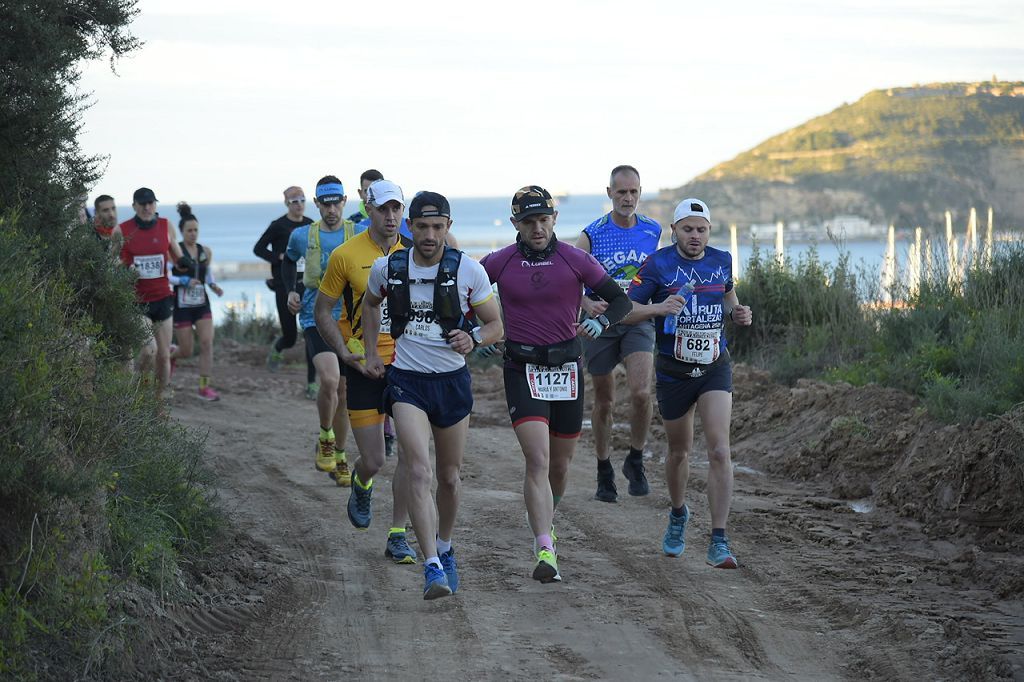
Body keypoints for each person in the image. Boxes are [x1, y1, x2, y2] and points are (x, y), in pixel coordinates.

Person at [480, 186, 632, 583]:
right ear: (516, 224)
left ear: (554, 220)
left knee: (561, 466)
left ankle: (548, 517)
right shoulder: (499, 261)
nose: (537, 228)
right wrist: (478, 333)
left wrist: (600, 323)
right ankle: (544, 544)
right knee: (538, 460)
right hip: (522, 368)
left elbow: (620, 301)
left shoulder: (575, 259)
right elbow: (465, 292)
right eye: (529, 221)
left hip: (566, 370)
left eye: (543, 220)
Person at [362, 191, 503, 599]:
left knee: (450, 478)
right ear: (409, 226)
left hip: (452, 383)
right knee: (418, 470)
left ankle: (445, 544)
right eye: (421, 226)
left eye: (437, 227)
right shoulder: (388, 268)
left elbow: (496, 325)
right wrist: (372, 352)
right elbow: (370, 305)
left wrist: (473, 337)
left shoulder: (469, 271)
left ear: (448, 227)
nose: (429, 234)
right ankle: (431, 566)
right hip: (407, 381)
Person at [623, 198, 752, 569]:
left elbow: (727, 296)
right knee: (679, 452)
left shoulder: (721, 260)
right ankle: (678, 514)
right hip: (674, 372)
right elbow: (628, 311)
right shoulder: (658, 264)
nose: (695, 236)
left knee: (719, 451)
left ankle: (719, 540)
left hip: (715, 366)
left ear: (709, 231)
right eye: (688, 229)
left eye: (702, 229)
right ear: (675, 230)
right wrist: (659, 308)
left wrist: (738, 312)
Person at [315, 179, 414, 564]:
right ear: (368, 210)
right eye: (382, 209)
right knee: (375, 459)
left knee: (411, 453)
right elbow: (324, 309)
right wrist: (342, 352)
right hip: (363, 366)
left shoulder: (415, 252)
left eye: (396, 209)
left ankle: (398, 533)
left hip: (409, 366)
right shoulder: (345, 254)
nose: (390, 217)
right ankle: (361, 481)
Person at [576, 165, 662, 502]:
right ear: (609, 193)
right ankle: (603, 470)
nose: (628, 198)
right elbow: (572, 278)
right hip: (601, 326)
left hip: (638, 319)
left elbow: (660, 272)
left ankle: (635, 459)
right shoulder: (592, 234)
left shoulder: (653, 230)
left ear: (640, 193)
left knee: (641, 393)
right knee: (605, 401)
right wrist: (585, 304)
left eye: (633, 192)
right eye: (621, 192)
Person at [281, 177, 356, 485]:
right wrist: (290, 291)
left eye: (335, 202)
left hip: (350, 322)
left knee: (344, 392)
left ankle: (339, 455)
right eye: (324, 204)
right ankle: (325, 435)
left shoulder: (358, 233)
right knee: (328, 379)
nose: (330, 209)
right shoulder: (302, 236)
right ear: (317, 204)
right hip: (316, 318)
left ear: (344, 201)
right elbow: (288, 262)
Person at [112, 187, 187, 399]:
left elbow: (177, 255)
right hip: (137, 301)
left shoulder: (165, 225)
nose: (147, 207)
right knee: (149, 351)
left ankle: (159, 402)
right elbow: (111, 261)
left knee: (164, 356)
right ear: (134, 205)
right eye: (142, 204)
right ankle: (140, 392)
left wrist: (186, 263)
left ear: (155, 204)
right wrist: (125, 269)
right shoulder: (122, 230)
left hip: (163, 298)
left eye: (150, 203)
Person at [255, 186, 318, 398]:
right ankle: (278, 348)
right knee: (291, 337)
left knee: (311, 333)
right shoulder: (278, 226)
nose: (299, 204)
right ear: (287, 204)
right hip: (284, 284)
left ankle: (311, 384)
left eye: (302, 199)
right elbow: (258, 248)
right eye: (294, 201)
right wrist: (279, 258)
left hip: (308, 284)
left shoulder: (311, 225)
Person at [170, 202, 225, 401]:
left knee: (206, 343)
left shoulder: (205, 251)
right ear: (181, 232)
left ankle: (204, 387)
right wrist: (183, 280)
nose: (193, 234)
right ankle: (171, 355)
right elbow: (167, 275)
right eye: (189, 230)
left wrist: (214, 286)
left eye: (196, 230)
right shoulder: (175, 252)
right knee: (186, 350)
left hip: (202, 304)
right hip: (182, 305)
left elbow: (207, 274)